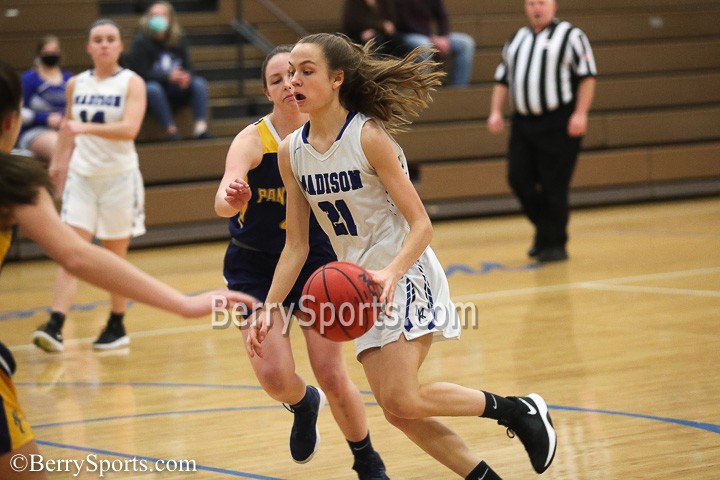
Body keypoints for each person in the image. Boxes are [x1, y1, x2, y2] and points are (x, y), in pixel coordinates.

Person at [251, 33, 557, 479]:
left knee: (402, 399)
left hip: (404, 269)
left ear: (337, 79)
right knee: (398, 410)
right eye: (291, 72)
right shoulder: (290, 152)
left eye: (306, 71)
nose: (294, 80)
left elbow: (422, 225)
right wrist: (271, 306)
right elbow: (296, 245)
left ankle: (517, 409)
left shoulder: (368, 137)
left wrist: (392, 271)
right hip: (360, 283)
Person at [0, 59, 255, 480]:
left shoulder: (129, 84)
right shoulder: (12, 180)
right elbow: (77, 255)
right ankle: (67, 321)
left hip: (114, 177)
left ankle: (95, 322)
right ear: (11, 121)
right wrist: (183, 303)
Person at [214, 45, 388, 479]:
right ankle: (301, 402)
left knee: (331, 370)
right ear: (268, 91)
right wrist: (232, 195)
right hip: (254, 268)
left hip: (316, 260)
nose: (288, 84)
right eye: (277, 79)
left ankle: (366, 457)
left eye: (292, 74)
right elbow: (222, 196)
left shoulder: (327, 136)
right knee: (274, 374)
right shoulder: (255, 140)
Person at [31, 19, 148, 353]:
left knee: (114, 255)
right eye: (98, 39)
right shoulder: (76, 83)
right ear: (88, 47)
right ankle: (55, 325)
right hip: (83, 177)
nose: (104, 45)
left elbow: (129, 129)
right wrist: (58, 165)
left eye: (111, 39)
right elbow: (68, 129)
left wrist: (83, 129)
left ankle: (116, 323)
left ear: (120, 46)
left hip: (119, 177)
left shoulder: (131, 82)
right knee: (70, 252)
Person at [487, 0, 597, 263]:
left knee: (553, 186)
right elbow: (503, 79)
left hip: (559, 122)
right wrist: (495, 111)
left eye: (542, 2)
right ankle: (546, 231)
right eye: (532, 3)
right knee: (518, 179)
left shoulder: (572, 36)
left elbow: (588, 76)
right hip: (524, 123)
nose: (537, 8)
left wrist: (581, 113)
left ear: (554, 5)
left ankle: (555, 243)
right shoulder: (517, 39)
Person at [127, 0, 212, 141]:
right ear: (148, 19)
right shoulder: (141, 42)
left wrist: (186, 77)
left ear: (170, 18)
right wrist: (168, 77)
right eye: (154, 15)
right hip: (153, 92)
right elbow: (139, 73)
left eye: (162, 15)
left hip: (176, 88)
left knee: (198, 83)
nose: (158, 18)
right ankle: (171, 131)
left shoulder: (179, 39)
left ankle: (200, 129)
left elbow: (189, 66)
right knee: (152, 88)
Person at [17, 35, 73, 162]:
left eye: (54, 52)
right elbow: (19, 112)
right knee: (59, 149)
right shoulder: (29, 78)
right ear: (39, 54)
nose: (50, 55)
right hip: (35, 130)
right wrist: (46, 119)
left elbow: (76, 107)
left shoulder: (69, 79)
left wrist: (64, 119)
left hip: (66, 128)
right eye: (47, 52)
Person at [393, 0, 475, 87]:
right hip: (406, 34)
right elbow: (404, 22)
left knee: (466, 43)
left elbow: (442, 16)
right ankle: (425, 89)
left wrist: (443, 37)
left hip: (429, 35)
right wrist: (433, 38)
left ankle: (459, 89)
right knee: (424, 45)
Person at [342, 0, 412, 58]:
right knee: (376, 41)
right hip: (359, 35)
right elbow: (352, 22)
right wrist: (381, 25)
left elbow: (391, 23)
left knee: (401, 44)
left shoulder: (386, 3)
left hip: (384, 35)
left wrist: (378, 27)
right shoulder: (353, 3)